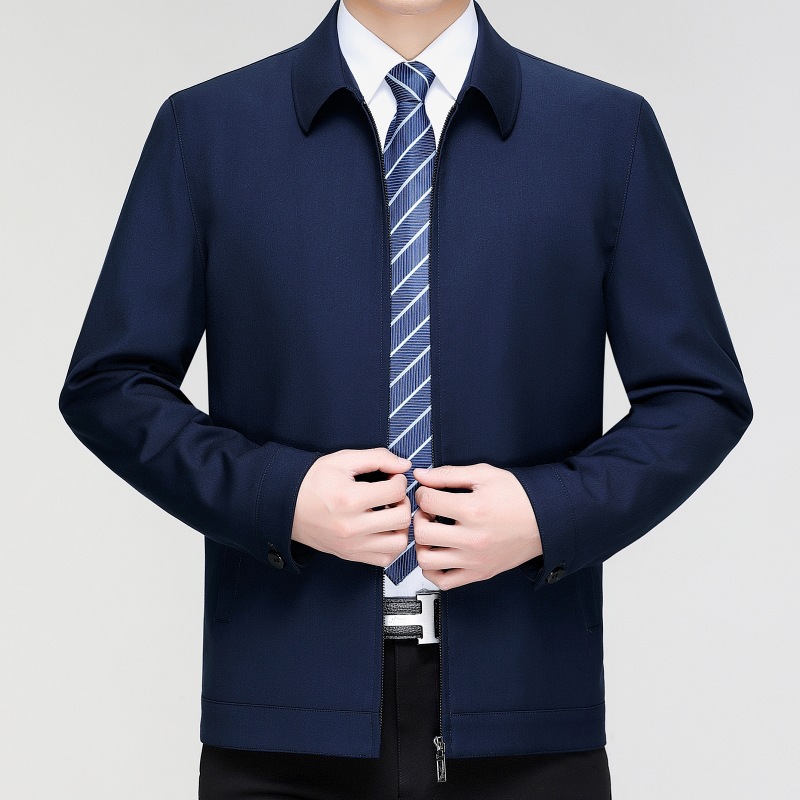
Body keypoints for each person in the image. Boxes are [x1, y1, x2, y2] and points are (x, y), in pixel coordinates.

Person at [58, 0, 753, 798]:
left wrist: (546, 513)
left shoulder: (605, 133)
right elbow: (111, 383)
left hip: (526, 721)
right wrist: (280, 496)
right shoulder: (207, 130)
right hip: (283, 724)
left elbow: (698, 395)